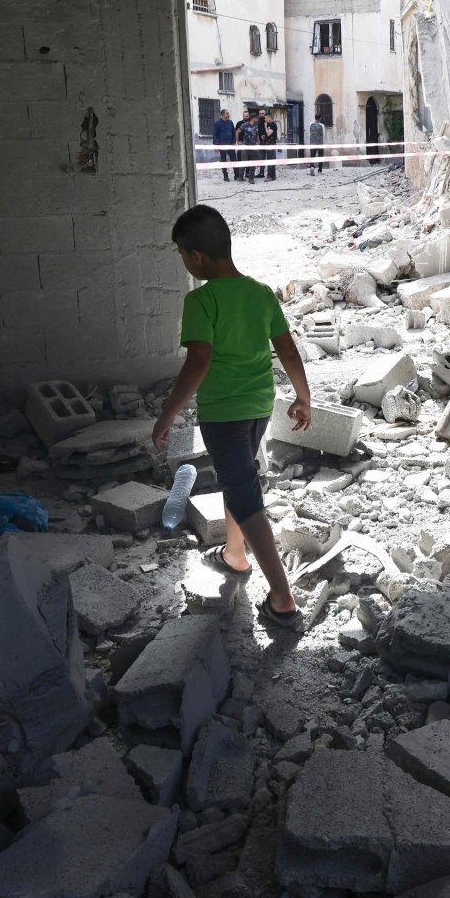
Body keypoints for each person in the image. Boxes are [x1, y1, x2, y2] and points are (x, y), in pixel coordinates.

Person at [151, 205, 312, 631]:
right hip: (259, 405)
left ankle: (282, 599)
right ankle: (234, 555)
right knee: (235, 477)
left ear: (196, 257)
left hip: (224, 414)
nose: (184, 262)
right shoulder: (261, 293)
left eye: (182, 254)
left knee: (244, 494)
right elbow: (289, 350)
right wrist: (303, 396)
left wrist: (167, 416)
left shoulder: (201, 301)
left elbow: (199, 360)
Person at [212, 109, 237, 182]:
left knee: (234, 159)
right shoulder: (217, 123)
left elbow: (233, 132)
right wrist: (215, 146)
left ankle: (237, 175)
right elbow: (215, 135)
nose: (228, 115)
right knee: (223, 160)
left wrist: (234, 142)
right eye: (227, 114)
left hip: (230, 144)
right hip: (222, 144)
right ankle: (225, 176)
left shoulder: (230, 122)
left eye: (228, 114)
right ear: (222, 115)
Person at [236, 110, 259, 183]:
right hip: (245, 146)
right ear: (253, 118)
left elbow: (257, 135)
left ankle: (251, 178)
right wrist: (238, 141)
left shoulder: (256, 126)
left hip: (253, 147)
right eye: (256, 118)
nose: (257, 119)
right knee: (243, 162)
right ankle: (240, 177)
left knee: (253, 163)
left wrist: (258, 142)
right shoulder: (244, 125)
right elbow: (237, 132)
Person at [258, 109, 279, 182]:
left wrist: (265, 126)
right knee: (271, 160)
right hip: (268, 143)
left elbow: (268, 134)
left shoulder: (272, 124)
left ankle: (269, 176)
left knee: (270, 160)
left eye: (266, 118)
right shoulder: (270, 125)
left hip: (271, 144)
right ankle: (273, 175)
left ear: (270, 118)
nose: (265, 119)